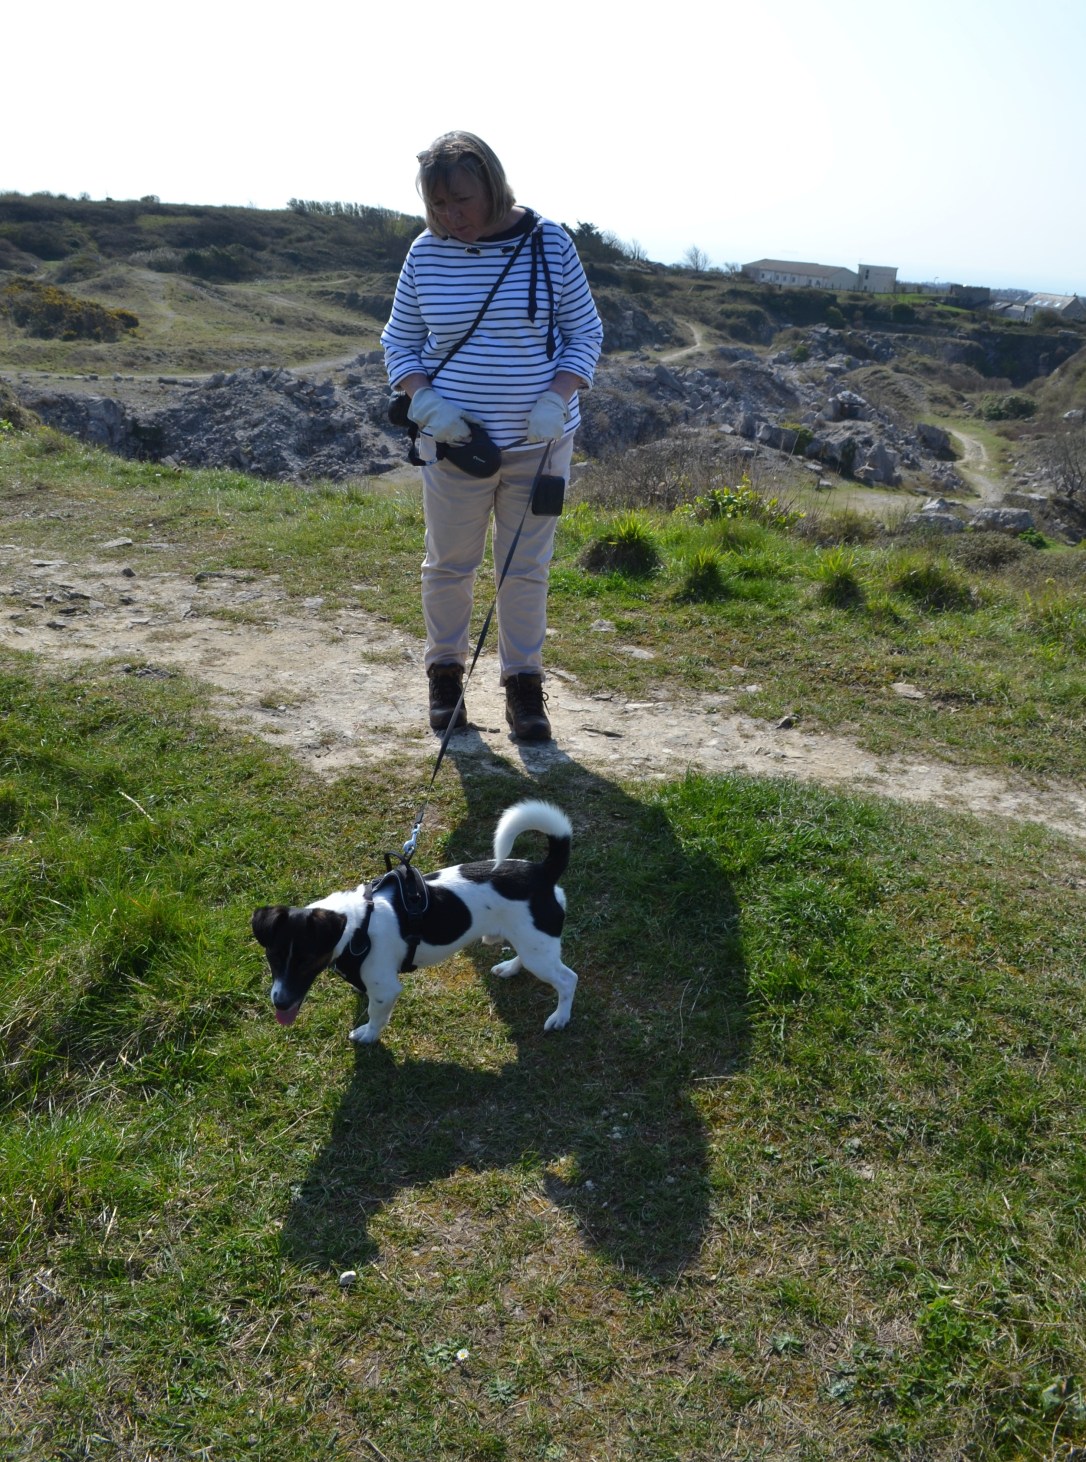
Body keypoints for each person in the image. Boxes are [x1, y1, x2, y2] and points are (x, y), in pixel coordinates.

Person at [381, 132, 604, 741]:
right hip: (455, 446)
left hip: (541, 446)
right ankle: (445, 677)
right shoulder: (425, 253)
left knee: (525, 569)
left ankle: (523, 689)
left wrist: (557, 399)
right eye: (438, 206)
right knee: (449, 565)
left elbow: (586, 333)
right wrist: (426, 403)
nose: (451, 218)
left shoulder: (549, 243)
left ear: (492, 183)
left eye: (462, 200)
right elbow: (398, 342)